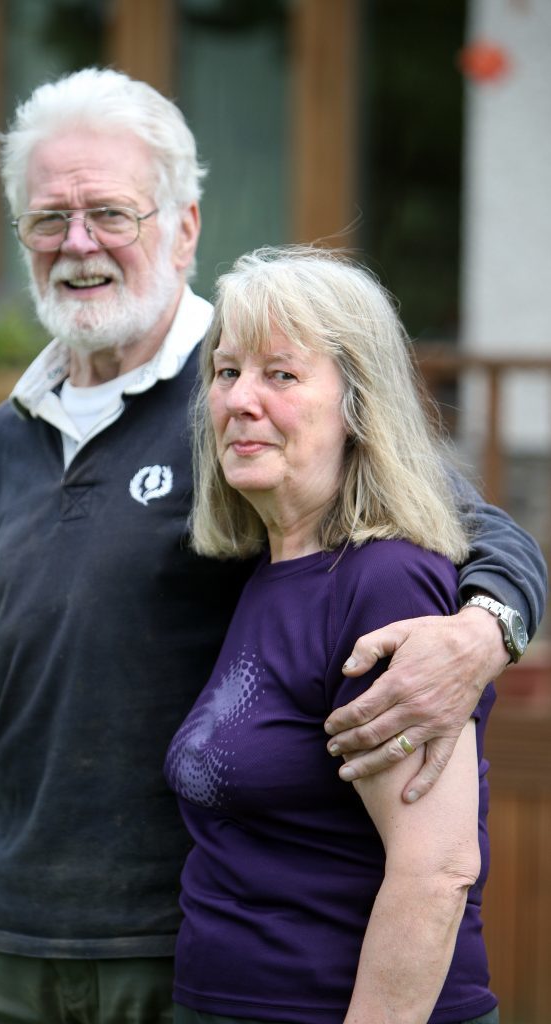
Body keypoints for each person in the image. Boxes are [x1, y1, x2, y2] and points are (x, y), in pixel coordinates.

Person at [0, 68, 545, 1024]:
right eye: (47, 219)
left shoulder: (255, 404)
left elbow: (466, 526)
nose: (77, 244)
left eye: (110, 212)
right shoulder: (2, 443)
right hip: (16, 952)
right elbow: (9, 709)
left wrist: (485, 627)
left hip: (173, 947)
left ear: (185, 224)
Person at [165, 244, 503, 1024]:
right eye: (226, 372)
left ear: (358, 404)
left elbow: (436, 872)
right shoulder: (268, 571)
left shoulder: (382, 583)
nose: (240, 400)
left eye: (280, 374)